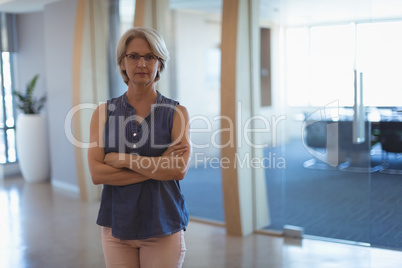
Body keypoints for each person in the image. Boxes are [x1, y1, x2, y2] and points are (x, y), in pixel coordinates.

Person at [88, 27, 190, 268]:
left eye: (150, 56)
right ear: (123, 63)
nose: (141, 63)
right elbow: (97, 174)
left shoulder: (177, 113)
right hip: (116, 227)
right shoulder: (103, 112)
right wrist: (158, 164)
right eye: (133, 56)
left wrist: (125, 160)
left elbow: (178, 170)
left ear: (159, 63)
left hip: (163, 225)